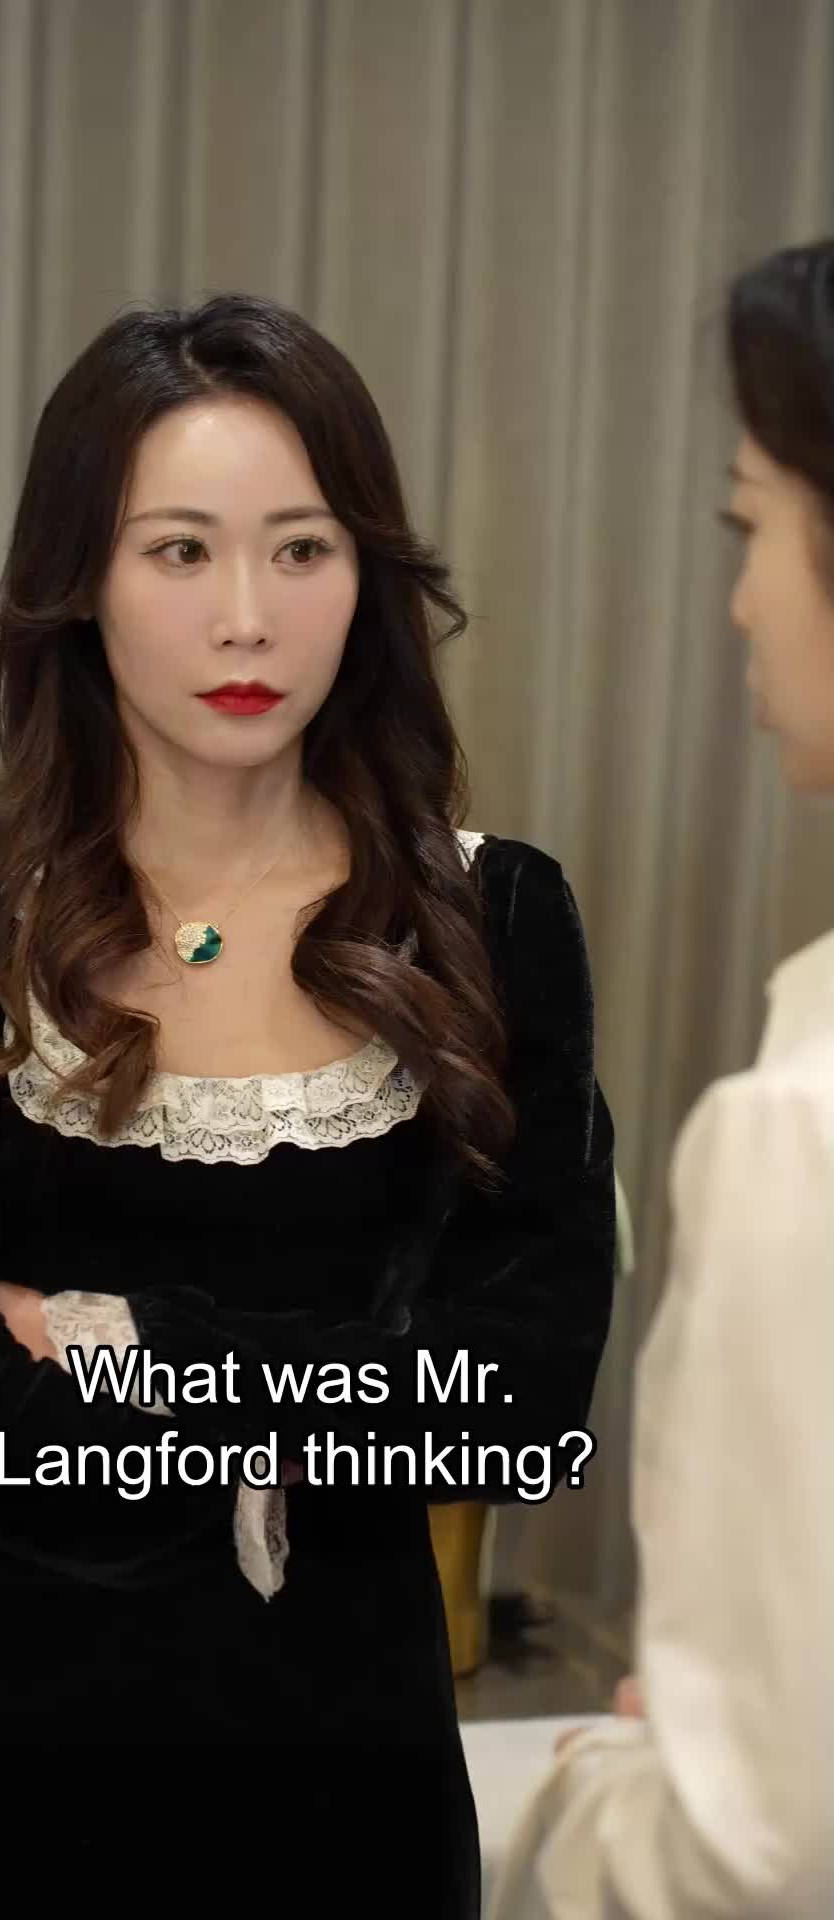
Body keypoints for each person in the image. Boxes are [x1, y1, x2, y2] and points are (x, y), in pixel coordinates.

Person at [0, 292, 616, 1918]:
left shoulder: (495, 916)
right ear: (80, 580)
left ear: (366, 579)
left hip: (351, 1797)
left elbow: (517, 1412)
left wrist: (126, 1340)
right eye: (180, 551)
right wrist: (345, 1410)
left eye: (301, 550)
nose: (247, 620)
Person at [489, 239, 834, 1919]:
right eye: (180, 550)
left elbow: (764, 1852)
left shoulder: (800, 1135)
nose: (741, 598)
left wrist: (610, 1788)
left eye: (747, 523)